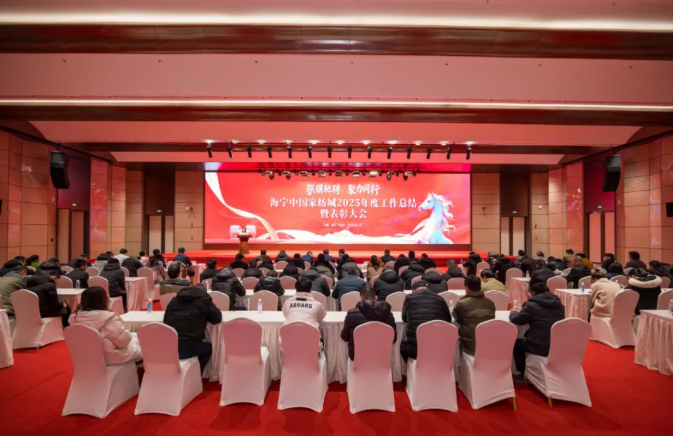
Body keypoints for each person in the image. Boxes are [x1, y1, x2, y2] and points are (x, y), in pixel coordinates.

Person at [69, 286, 142, 364]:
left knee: (134, 337)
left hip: (84, 356)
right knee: (139, 340)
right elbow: (124, 341)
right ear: (103, 300)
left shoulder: (74, 319)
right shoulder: (108, 319)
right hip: (109, 357)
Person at [510, 283, 565, 382]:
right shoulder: (560, 306)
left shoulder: (532, 305)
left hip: (540, 346)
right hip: (557, 345)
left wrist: (513, 312)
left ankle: (521, 373)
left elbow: (517, 319)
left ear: (533, 293)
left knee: (516, 344)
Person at [164, 284, 222, 375]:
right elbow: (217, 319)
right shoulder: (204, 300)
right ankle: (196, 375)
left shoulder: (174, 300)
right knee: (209, 349)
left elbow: (165, 321)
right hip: (190, 347)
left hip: (170, 347)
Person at [340, 285, 396, 361]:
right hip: (382, 356)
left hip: (357, 356)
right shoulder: (388, 314)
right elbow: (393, 338)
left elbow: (345, 337)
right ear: (376, 297)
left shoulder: (352, 314)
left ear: (360, 298)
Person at [400, 283, 452, 362]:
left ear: (413, 291)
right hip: (439, 347)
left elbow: (404, 318)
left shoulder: (409, 298)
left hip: (416, 349)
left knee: (403, 344)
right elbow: (448, 321)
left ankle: (408, 368)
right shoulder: (440, 299)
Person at [452, 275, 496, 355]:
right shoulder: (491, 303)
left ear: (467, 288)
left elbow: (457, 319)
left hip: (469, 346)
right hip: (487, 344)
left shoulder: (462, 303)